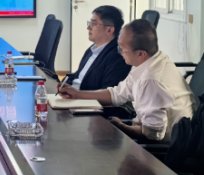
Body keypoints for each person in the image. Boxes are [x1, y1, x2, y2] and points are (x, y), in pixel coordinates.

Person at [59, 19, 196, 142]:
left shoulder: (151, 80)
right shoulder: (150, 61)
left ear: (140, 54)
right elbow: (117, 94)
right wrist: (77, 94)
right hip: (154, 133)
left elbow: (153, 134)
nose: (119, 52)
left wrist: (121, 127)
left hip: (166, 149)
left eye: (122, 49)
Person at [66, 6, 131, 91]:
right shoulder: (92, 49)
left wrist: (76, 94)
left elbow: (108, 92)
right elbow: (78, 76)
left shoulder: (117, 56)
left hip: (85, 97)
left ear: (109, 30)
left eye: (94, 24)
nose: (88, 27)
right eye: (90, 23)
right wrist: (64, 84)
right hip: (73, 93)